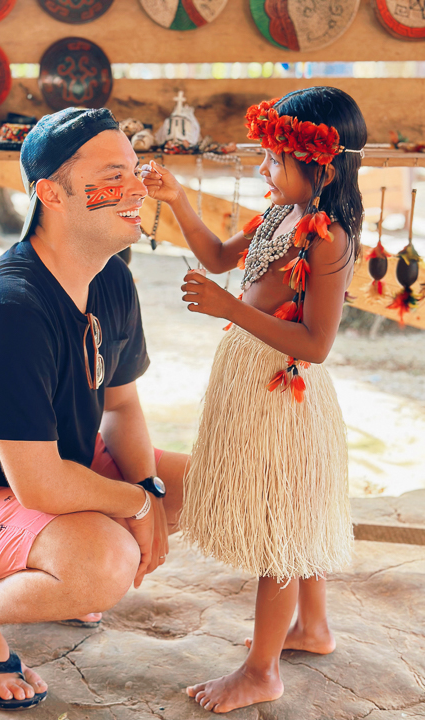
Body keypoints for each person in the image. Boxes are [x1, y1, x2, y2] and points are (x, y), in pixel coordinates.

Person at [0, 107, 187, 711]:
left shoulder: (111, 278)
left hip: (44, 472)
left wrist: (149, 487)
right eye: (115, 174)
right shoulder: (13, 307)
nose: (139, 187)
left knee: (208, 483)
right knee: (107, 562)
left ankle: (51, 570)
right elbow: (38, 483)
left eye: (136, 169)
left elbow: (122, 404)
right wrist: (135, 502)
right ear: (51, 193)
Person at [142, 87, 367, 713]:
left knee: (282, 528)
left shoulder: (328, 241)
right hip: (252, 376)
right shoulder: (276, 216)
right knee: (299, 514)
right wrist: (180, 199)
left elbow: (317, 343)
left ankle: (262, 670)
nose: (264, 170)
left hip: (286, 390)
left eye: (275, 159)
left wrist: (230, 309)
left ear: (319, 164)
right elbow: (216, 256)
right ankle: (310, 628)